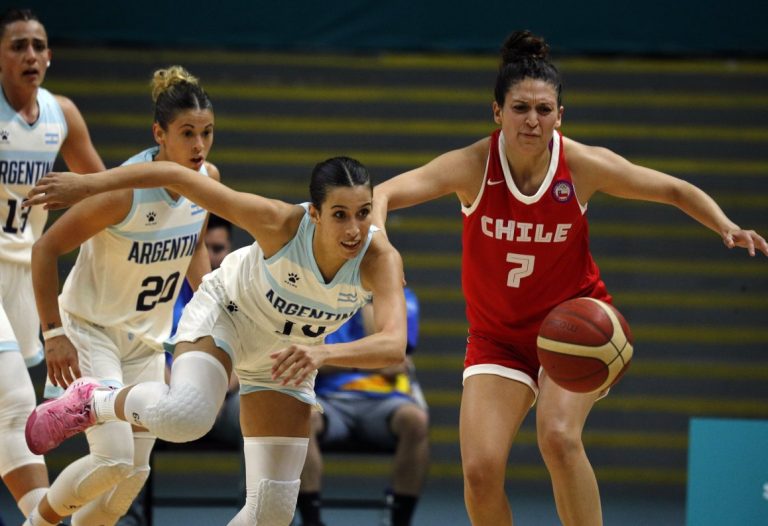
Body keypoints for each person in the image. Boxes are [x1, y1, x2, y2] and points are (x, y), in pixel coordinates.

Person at [371, 30, 768, 526]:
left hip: (574, 328)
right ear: (497, 112)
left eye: (543, 110)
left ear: (560, 115)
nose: (531, 120)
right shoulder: (472, 165)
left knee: (558, 437)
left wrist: (726, 225)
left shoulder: (580, 165)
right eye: (519, 108)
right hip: (498, 339)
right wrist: (382, 247)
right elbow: (381, 195)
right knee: (479, 470)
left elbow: (672, 189)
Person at [23, 155, 408, 526]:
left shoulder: (379, 259)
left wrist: (322, 352)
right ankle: (93, 400)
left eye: (363, 212)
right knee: (185, 417)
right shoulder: (278, 222)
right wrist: (89, 185)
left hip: (285, 354)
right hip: (228, 315)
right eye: (340, 214)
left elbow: (392, 346)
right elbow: (178, 177)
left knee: (272, 512)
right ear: (315, 213)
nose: (355, 228)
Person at [24, 65, 219, 526]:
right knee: (112, 458)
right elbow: (45, 248)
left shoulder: (207, 178)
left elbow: (192, 247)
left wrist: (208, 314)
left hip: (146, 341)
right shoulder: (123, 194)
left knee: (133, 473)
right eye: (187, 133)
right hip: (93, 332)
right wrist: (53, 332)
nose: (198, 146)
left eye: (207, 133)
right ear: (160, 134)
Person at [0, 7, 104, 521]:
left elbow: (102, 193)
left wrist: (81, 191)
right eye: (18, 45)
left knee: (6, 415)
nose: (31, 55)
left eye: (38, 45)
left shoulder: (62, 114)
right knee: (14, 400)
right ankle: (40, 518)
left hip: (20, 269)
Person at [296, 287, 429, 526]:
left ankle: (400, 520)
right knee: (302, 417)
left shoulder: (401, 297)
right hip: (329, 398)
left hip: (385, 400)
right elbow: (310, 359)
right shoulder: (314, 293)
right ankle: (311, 520)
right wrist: (367, 362)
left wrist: (368, 300)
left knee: (415, 421)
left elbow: (394, 358)